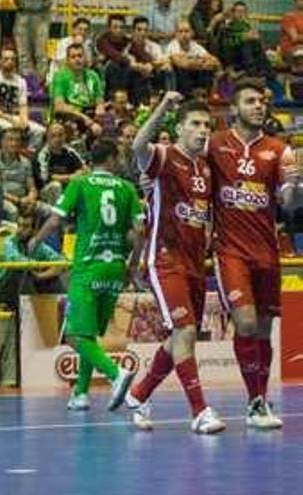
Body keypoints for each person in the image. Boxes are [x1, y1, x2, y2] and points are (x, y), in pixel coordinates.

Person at [124, 91, 226, 434]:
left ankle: (138, 394)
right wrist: (163, 107)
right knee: (183, 331)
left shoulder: (206, 169)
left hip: (196, 262)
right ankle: (200, 411)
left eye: (206, 126)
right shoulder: (165, 156)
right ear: (180, 127)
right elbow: (138, 145)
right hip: (164, 259)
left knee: (182, 335)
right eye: (195, 124)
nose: (202, 131)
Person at [206, 79, 297, 429]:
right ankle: (257, 401)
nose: (258, 106)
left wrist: (295, 186)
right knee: (244, 322)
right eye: (249, 101)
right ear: (234, 108)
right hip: (230, 250)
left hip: (267, 251)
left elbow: (287, 203)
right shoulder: (215, 144)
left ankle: (257, 399)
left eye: (261, 101)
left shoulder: (279, 149)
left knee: (262, 329)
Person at [27, 138, 141, 411]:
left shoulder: (80, 184)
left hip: (88, 266)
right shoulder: (127, 188)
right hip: (115, 268)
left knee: (74, 336)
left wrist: (35, 241)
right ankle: (80, 393)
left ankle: (117, 374)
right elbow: (140, 232)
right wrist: (132, 265)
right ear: (112, 159)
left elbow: (55, 219)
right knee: (89, 335)